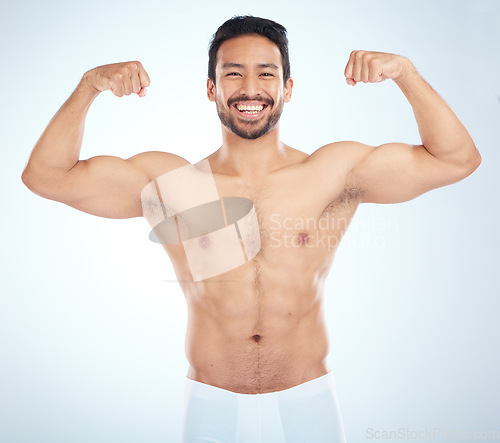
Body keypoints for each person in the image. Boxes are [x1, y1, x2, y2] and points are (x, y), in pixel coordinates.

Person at [21, 15, 481, 443]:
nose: (250, 88)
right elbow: (46, 176)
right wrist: (89, 86)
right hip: (211, 403)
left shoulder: (333, 171)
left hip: (308, 399)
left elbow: (456, 159)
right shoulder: (172, 182)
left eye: (266, 73)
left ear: (287, 87)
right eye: (233, 73)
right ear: (211, 87)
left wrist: (405, 72)